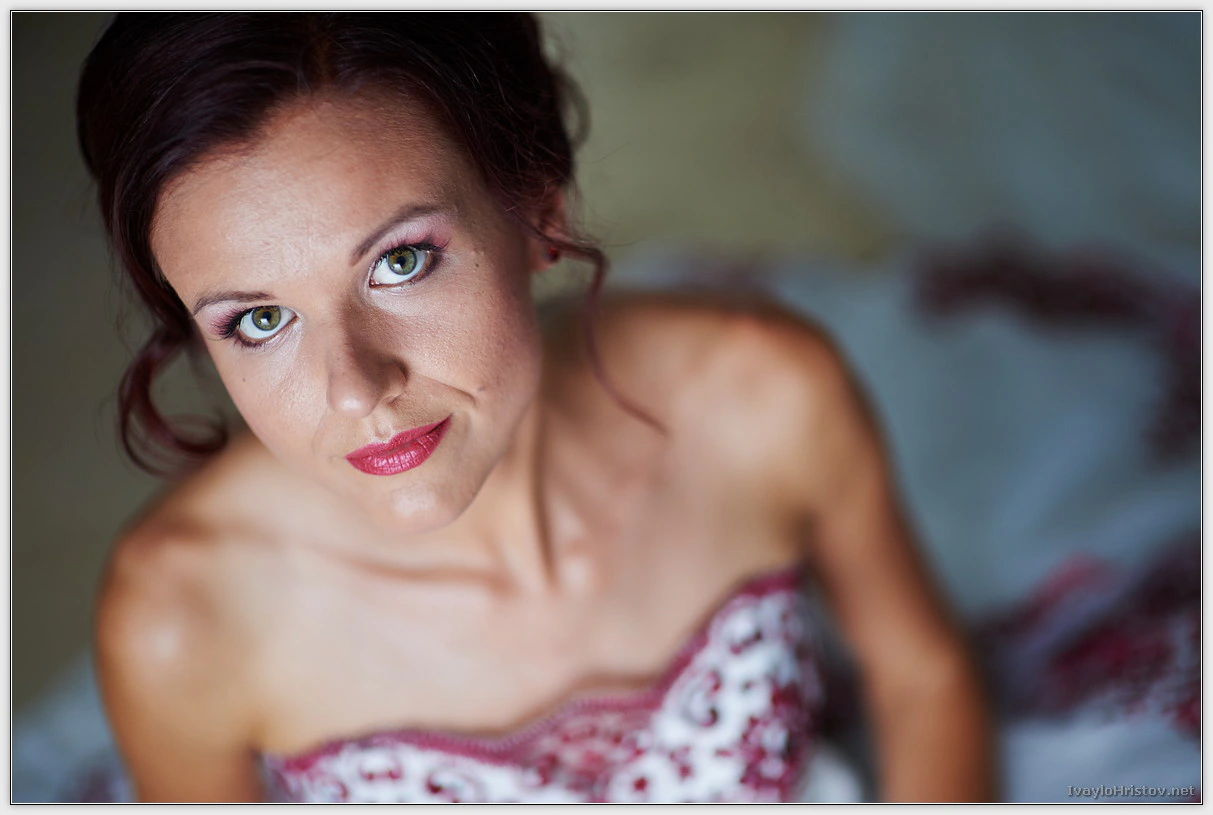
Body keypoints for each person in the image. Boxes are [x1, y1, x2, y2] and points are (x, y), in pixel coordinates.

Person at [76, 12, 992, 802]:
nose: (355, 387)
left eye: (400, 261)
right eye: (259, 320)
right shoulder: (184, 615)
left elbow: (920, 676)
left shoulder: (762, 394)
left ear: (538, 211)